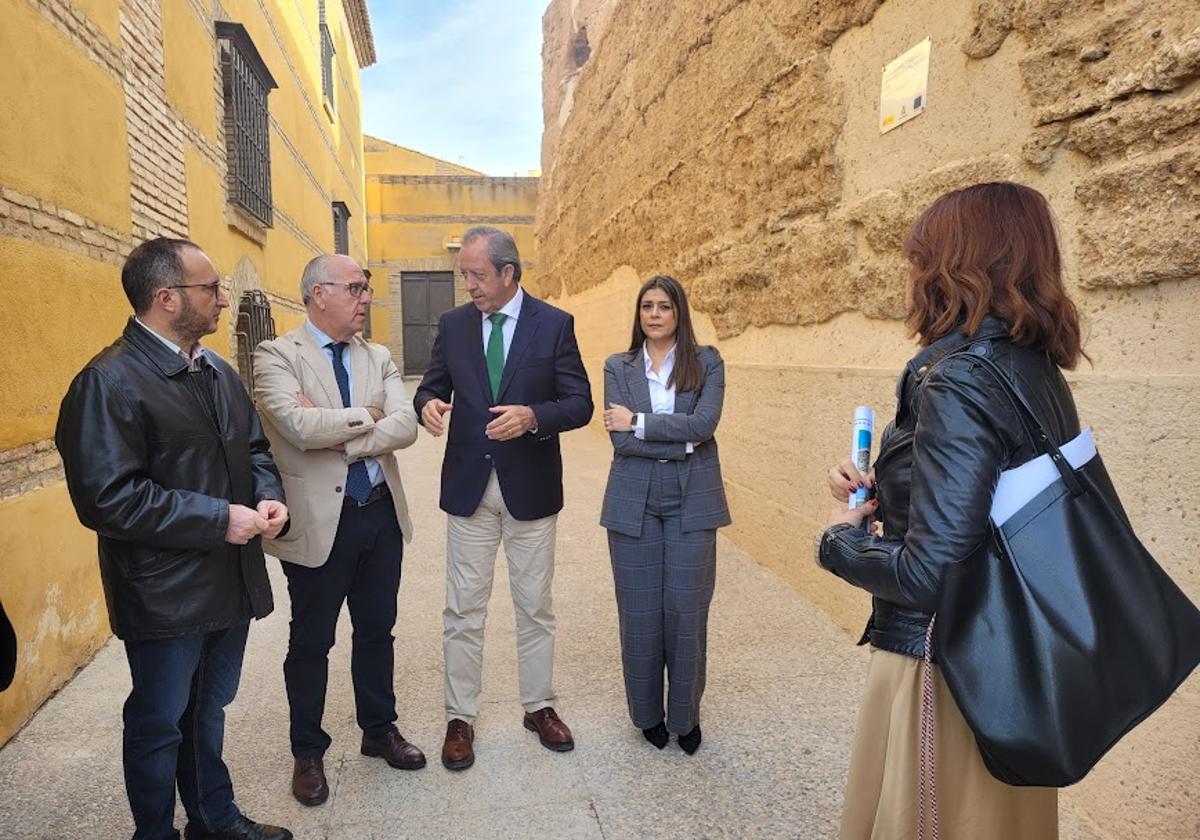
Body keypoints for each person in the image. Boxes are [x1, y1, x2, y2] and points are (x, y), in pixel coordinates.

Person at [818, 182, 1081, 839]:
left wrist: (841, 541)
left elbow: (934, 573)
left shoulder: (956, 378)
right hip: (1010, 661)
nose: (911, 276)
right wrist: (892, 492)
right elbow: (990, 507)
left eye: (919, 259)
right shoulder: (1031, 369)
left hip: (944, 670)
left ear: (953, 267)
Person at [55, 238, 291, 840]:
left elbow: (255, 447)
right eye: (210, 289)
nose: (221, 300)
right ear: (166, 298)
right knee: (160, 721)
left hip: (227, 580)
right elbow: (107, 499)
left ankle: (212, 820)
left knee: (206, 713)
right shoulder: (106, 383)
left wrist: (267, 495)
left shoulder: (214, 370)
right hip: (165, 594)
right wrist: (218, 518)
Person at [413, 226, 593, 770]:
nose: (468, 284)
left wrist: (535, 416)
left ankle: (538, 707)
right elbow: (433, 384)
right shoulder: (453, 326)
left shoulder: (554, 325)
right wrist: (427, 405)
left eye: (477, 275)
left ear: (509, 273)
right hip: (469, 488)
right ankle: (460, 717)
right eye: (464, 274)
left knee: (535, 608)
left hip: (531, 490)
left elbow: (580, 403)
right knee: (462, 610)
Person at [253, 255, 424, 806]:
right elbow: (297, 427)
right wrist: (370, 415)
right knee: (311, 641)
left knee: (377, 630)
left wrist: (346, 430)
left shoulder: (378, 355)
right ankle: (308, 750)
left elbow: (407, 424)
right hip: (319, 522)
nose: (366, 298)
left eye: (366, 289)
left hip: (379, 511)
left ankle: (379, 730)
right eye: (355, 288)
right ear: (317, 294)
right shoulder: (275, 354)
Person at [600, 275, 731, 755]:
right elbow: (618, 442)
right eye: (646, 307)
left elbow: (705, 422)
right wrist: (684, 443)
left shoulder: (707, 362)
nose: (654, 314)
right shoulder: (618, 365)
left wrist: (639, 422)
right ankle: (648, 716)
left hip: (694, 495)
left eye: (664, 306)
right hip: (632, 499)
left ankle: (685, 717)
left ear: (679, 313)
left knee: (686, 610)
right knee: (639, 613)